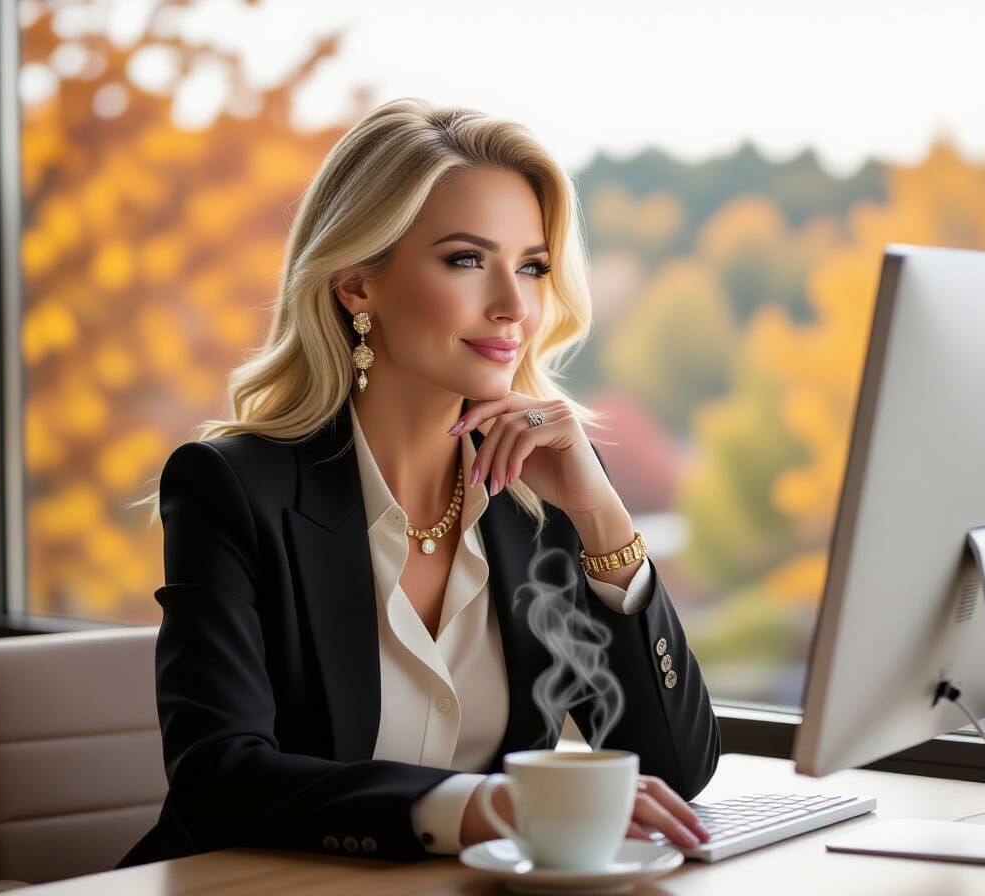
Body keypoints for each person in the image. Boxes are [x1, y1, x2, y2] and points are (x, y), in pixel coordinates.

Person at [118, 97, 720, 868]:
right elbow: (220, 780)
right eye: (467, 260)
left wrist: (602, 516)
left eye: (532, 267)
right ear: (355, 284)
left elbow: (676, 768)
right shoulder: (232, 489)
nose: (514, 306)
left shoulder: (547, 496)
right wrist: (481, 807)